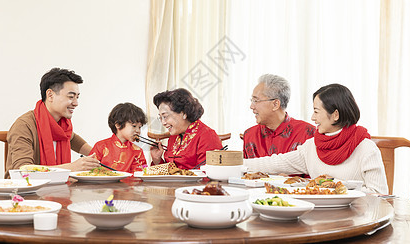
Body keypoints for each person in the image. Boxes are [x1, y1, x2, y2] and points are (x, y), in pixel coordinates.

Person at [244, 83, 388, 194]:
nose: (313, 118)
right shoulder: (311, 146)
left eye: (316, 111)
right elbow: (275, 162)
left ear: (335, 115)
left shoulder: (366, 148)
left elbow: (380, 195)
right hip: (318, 220)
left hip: (355, 222)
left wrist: (335, 188)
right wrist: (235, 164)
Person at [5, 68, 100, 177]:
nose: (76, 103)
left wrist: (103, 156)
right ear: (50, 95)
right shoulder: (24, 125)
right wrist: (72, 167)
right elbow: (22, 171)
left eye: (77, 97)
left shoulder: (63, 127)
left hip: (57, 188)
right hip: (26, 191)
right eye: (71, 97)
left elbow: (76, 142)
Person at [243, 74, 315, 158]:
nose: (251, 106)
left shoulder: (308, 133)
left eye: (256, 100)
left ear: (275, 104)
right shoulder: (250, 135)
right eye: (252, 100)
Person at [150, 88, 223, 169]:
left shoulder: (207, 136)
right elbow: (169, 171)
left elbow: (208, 175)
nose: (163, 122)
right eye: (160, 118)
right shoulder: (174, 136)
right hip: (173, 182)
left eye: (165, 116)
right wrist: (157, 160)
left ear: (184, 113)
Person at [90, 103, 148, 173]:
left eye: (140, 127)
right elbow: (90, 170)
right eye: (134, 126)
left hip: (129, 184)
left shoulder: (138, 151)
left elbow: (140, 174)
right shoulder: (100, 146)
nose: (138, 131)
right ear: (118, 125)